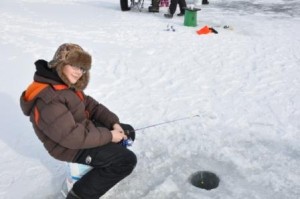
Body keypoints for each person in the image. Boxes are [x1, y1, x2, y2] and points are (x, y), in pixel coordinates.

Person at [20, 43, 137, 199]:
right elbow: (72, 137)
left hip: (81, 130)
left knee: (127, 131)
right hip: (68, 146)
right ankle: (79, 194)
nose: (78, 72)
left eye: (82, 68)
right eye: (75, 65)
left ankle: (97, 173)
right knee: (126, 160)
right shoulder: (49, 99)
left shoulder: (63, 83)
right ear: (60, 63)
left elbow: (91, 105)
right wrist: (109, 136)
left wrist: (114, 124)